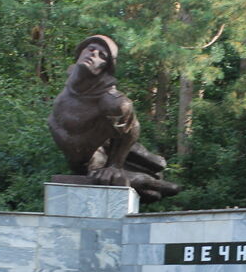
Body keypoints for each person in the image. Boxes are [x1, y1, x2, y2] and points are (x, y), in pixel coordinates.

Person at [49, 35, 180, 203]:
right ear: (80, 53)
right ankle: (148, 183)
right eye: (90, 49)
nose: (93, 54)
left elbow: (132, 129)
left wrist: (114, 166)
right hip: (83, 157)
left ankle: (150, 177)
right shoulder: (71, 86)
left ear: (105, 67)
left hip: (105, 149)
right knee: (98, 174)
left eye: (102, 55)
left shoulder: (112, 100)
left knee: (121, 174)